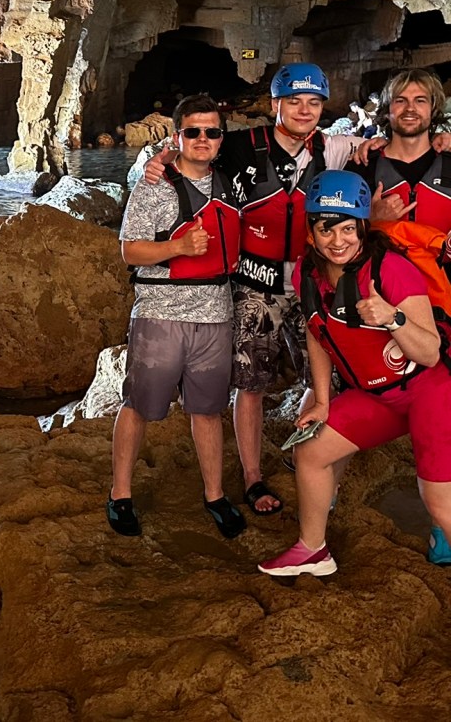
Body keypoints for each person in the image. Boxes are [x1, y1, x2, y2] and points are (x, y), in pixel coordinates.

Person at [142, 63, 365, 516]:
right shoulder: (241, 145)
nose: (304, 111)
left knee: (331, 378)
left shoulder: (334, 147)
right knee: (251, 382)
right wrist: (159, 159)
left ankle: (307, 449)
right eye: (294, 101)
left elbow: (387, 147)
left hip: (308, 283)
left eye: (314, 103)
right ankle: (251, 477)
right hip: (252, 284)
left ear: (324, 107)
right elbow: (190, 154)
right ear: (275, 105)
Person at [258, 170, 451, 576]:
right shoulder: (305, 275)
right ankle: (313, 550)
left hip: (431, 388)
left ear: (362, 227)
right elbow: (317, 333)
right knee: (310, 452)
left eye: (348, 228)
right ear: (311, 231)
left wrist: (392, 317)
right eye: (326, 229)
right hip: (377, 394)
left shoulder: (391, 269)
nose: (338, 240)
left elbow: (432, 353)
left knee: (437, 500)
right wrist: (324, 401)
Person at [108, 94, 245, 539]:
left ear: (221, 138)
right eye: (193, 131)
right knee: (140, 406)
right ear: (177, 136)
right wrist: (178, 248)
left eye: (211, 132)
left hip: (215, 315)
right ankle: (120, 494)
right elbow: (129, 249)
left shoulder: (231, 185)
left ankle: (215, 495)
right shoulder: (153, 185)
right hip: (160, 313)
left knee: (207, 410)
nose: (203, 139)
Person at [350, 67, 451, 564]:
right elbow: (331, 233)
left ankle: (441, 522)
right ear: (386, 110)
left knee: (441, 417)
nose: (409, 108)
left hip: (443, 311)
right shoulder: (363, 169)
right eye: (399, 100)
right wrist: (376, 221)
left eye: (420, 100)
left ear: (434, 110)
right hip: (378, 307)